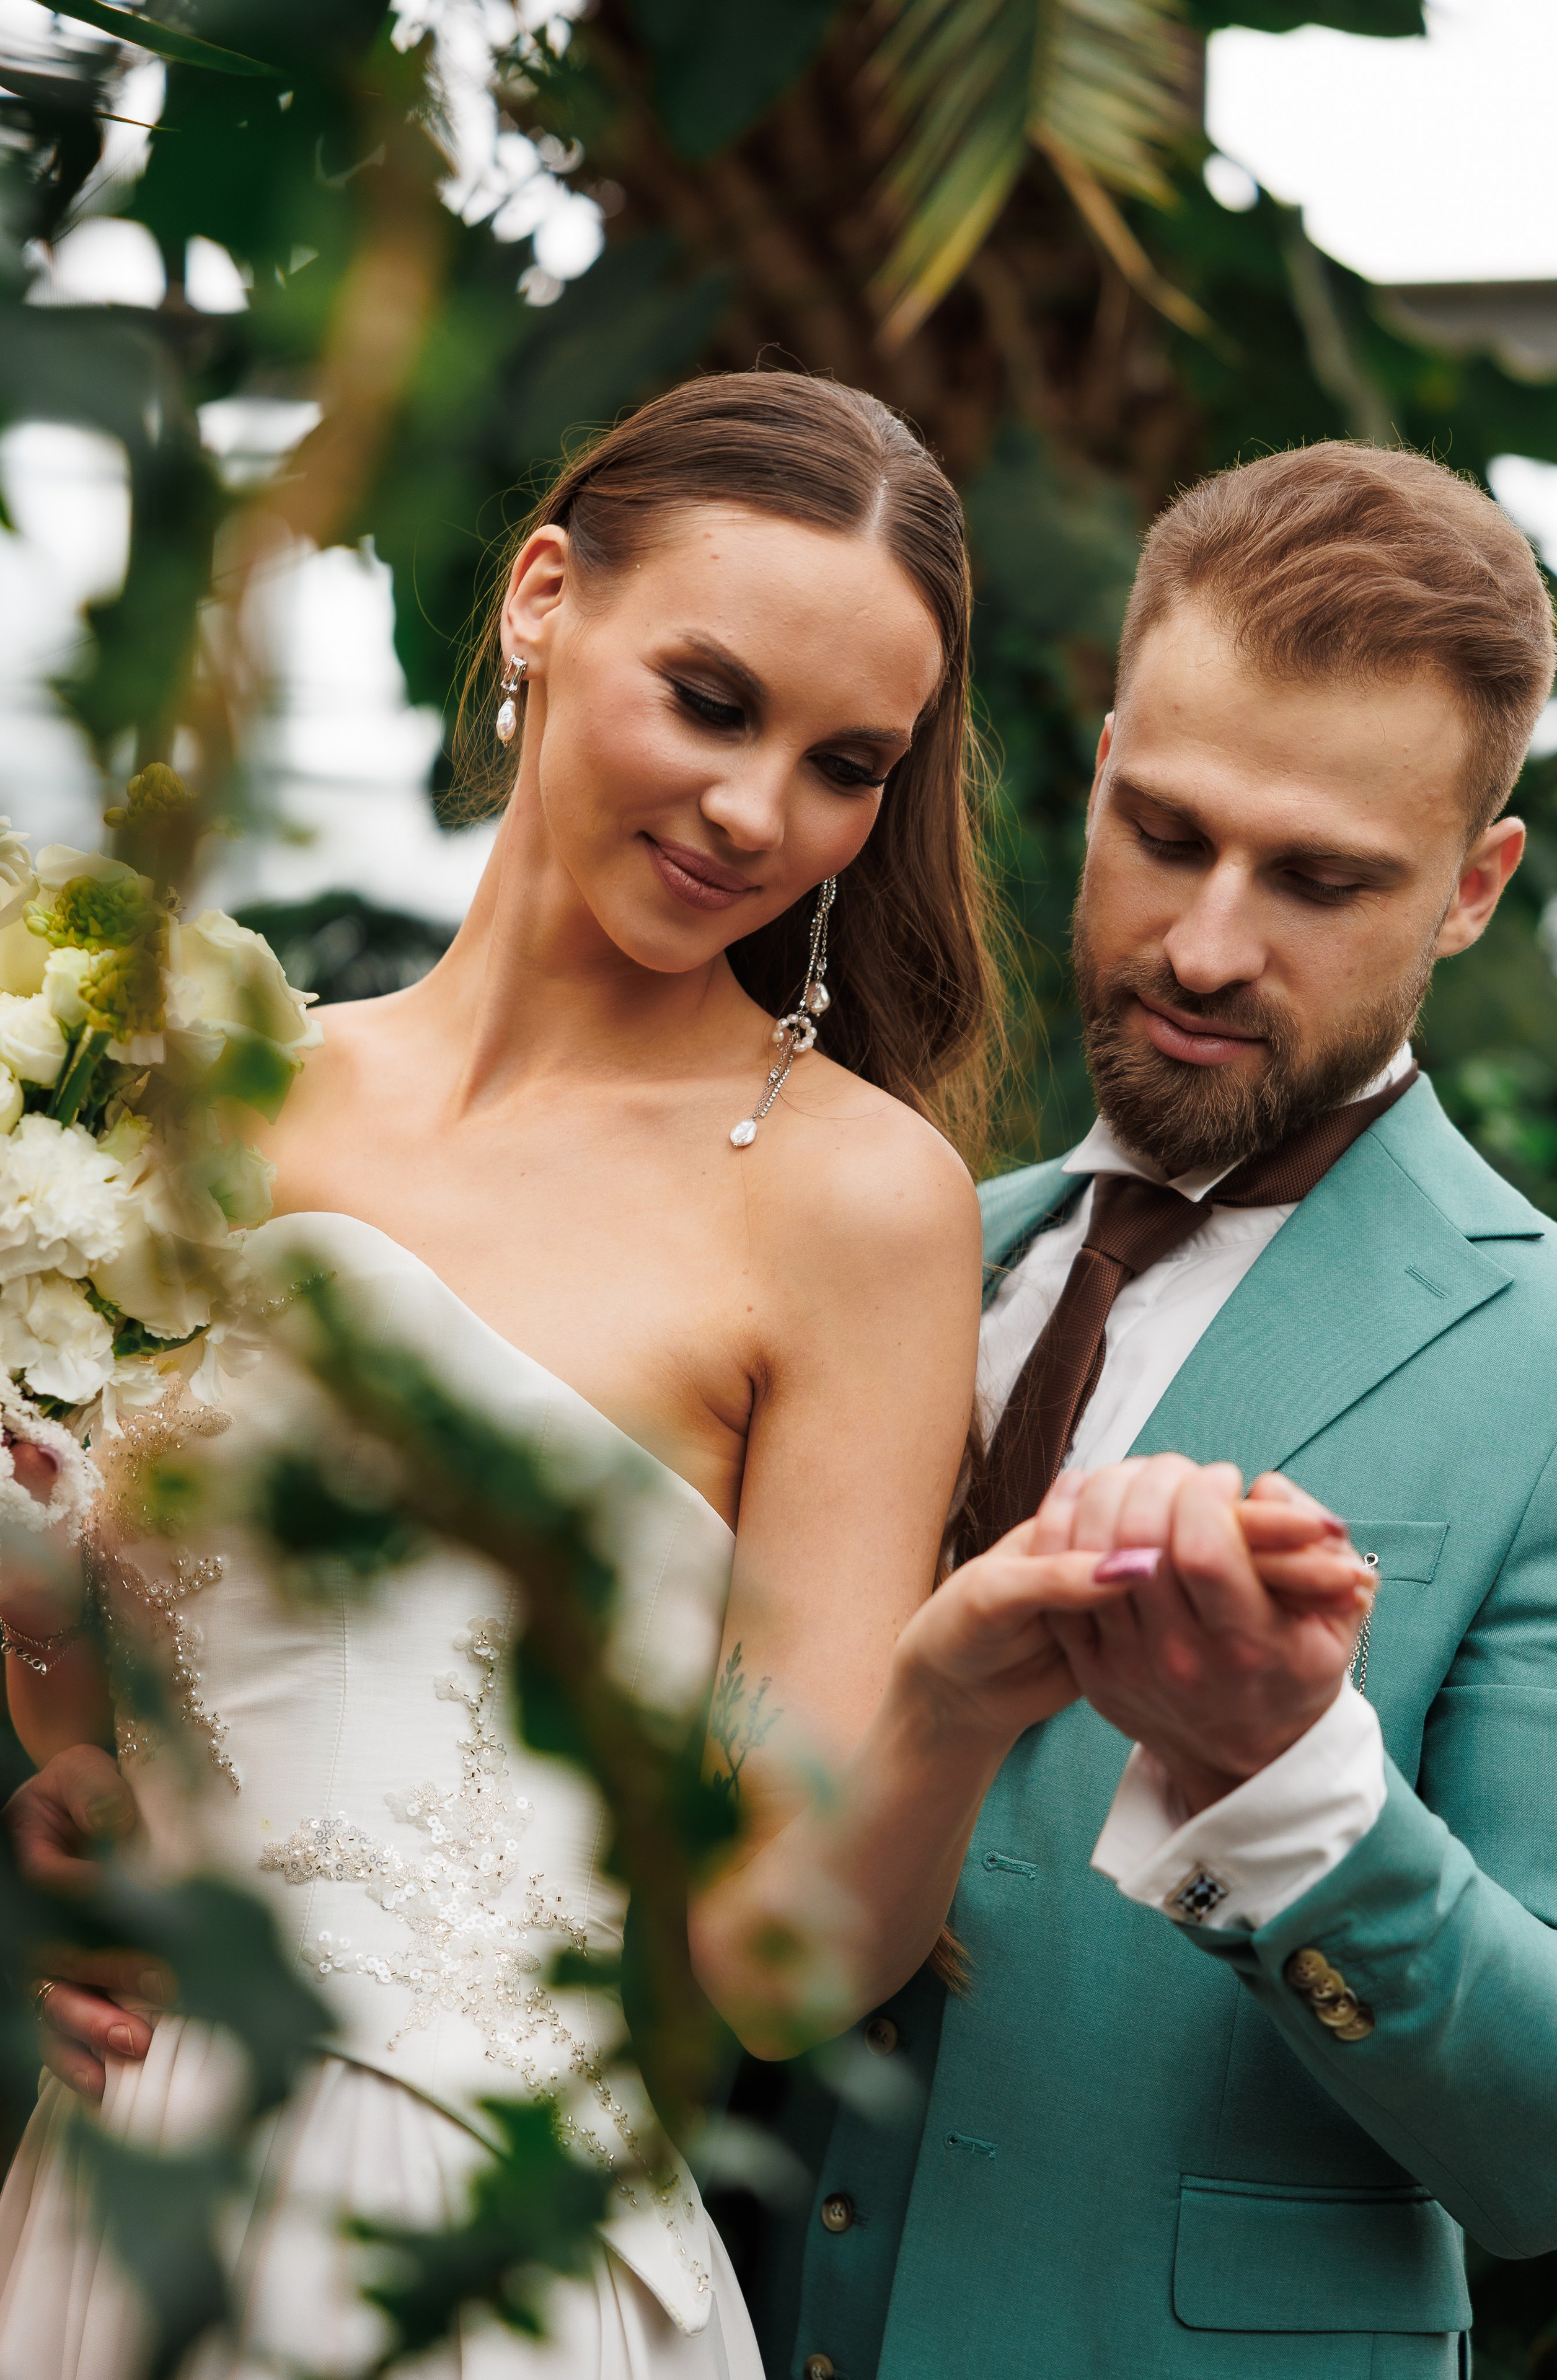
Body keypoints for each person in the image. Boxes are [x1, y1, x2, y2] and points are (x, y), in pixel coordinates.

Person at [0, 379, 1367, 2380]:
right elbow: (69, 1628)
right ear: (545, 598)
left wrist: (959, 1691)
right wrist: (57, 1804)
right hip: (114, 2192)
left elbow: (780, 1964)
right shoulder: (179, 1088)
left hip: (469, 2249)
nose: (757, 814)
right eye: (713, 703)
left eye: (844, 767)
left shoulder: (850, 1203)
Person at [768, 439, 1557, 2380]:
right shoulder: (891, 1252)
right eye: (1166, 832)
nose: (1208, 947)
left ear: (1472, 890)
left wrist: (1284, 1779)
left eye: (1320, 880)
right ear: (1106, 767)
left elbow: (1553, 2151)